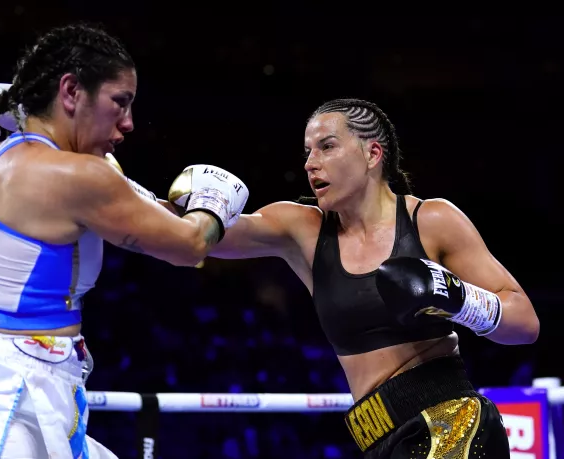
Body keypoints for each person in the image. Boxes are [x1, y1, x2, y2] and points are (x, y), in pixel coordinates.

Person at [0, 23, 248, 459]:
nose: (129, 123)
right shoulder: (78, 178)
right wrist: (214, 204)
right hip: (9, 403)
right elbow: (189, 245)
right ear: (72, 92)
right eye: (120, 102)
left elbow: (131, 206)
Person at [197, 98, 539, 458]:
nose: (311, 164)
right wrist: (148, 199)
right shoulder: (304, 229)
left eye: (327, 147)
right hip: (377, 439)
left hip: (452, 422)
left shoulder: (432, 220)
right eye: (307, 152)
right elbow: (198, 240)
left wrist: (458, 299)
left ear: (373, 154)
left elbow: (525, 323)